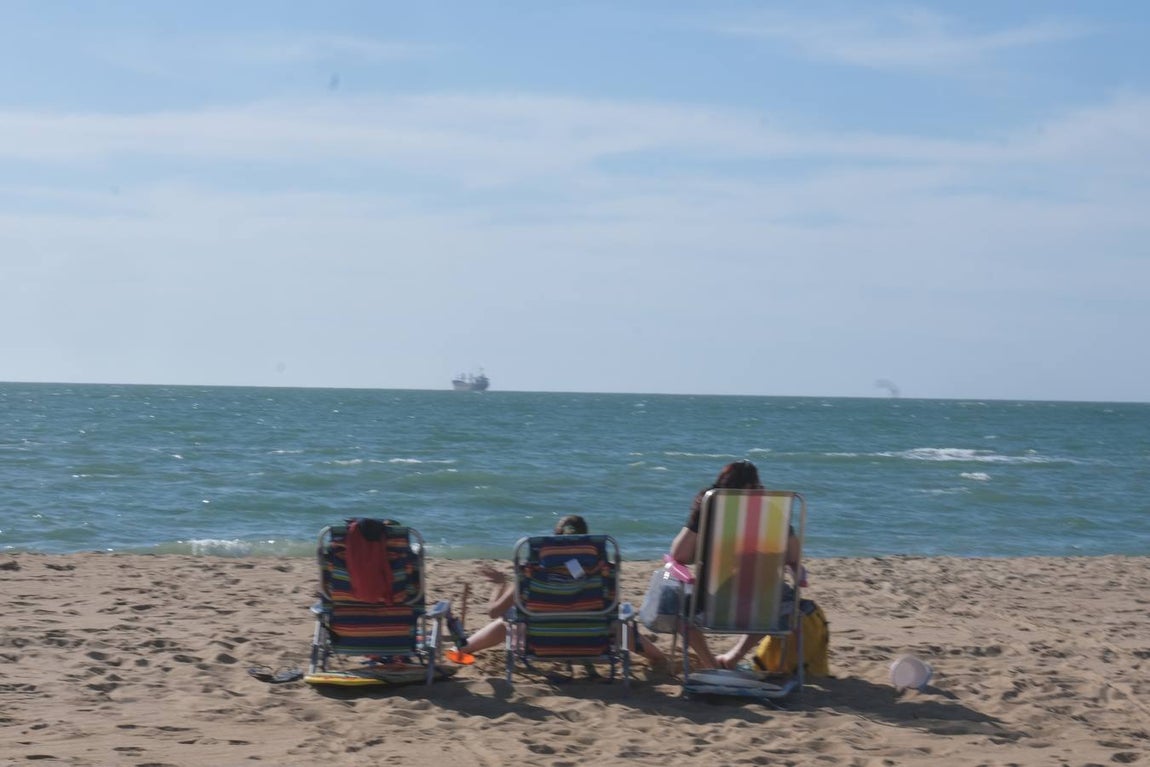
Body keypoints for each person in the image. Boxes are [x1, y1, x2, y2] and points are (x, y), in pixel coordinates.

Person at [451, 515, 669, 670]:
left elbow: (493, 611)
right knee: (615, 622)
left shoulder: (533, 575)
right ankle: (659, 658)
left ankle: (464, 649)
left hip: (544, 643)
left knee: (506, 622)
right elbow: (612, 607)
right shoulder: (599, 576)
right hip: (591, 642)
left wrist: (500, 583)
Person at [669, 460, 803, 669]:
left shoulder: (710, 506)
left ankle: (710, 663)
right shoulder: (770, 509)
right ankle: (733, 658)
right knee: (786, 599)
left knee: (672, 603)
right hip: (765, 608)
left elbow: (679, 554)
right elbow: (793, 556)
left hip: (711, 606)